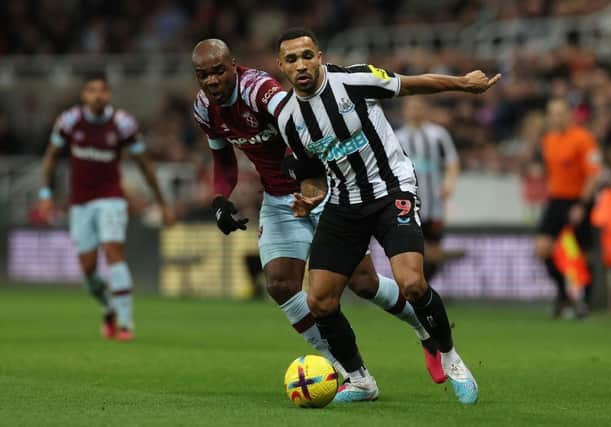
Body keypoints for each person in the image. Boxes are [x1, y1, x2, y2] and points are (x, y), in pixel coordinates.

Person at [190, 39, 446, 384]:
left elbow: (302, 121)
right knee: (280, 284)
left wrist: (303, 168)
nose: (211, 81)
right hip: (279, 201)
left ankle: (423, 331)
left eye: (218, 71)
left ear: (233, 66)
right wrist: (220, 199)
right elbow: (222, 160)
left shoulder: (260, 91)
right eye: (203, 75)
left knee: (364, 283)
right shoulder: (205, 109)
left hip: (325, 190)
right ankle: (344, 370)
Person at [274, 27, 499, 404]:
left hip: (392, 189)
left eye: (307, 55)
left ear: (320, 56)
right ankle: (361, 380)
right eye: (292, 59)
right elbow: (312, 170)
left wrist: (464, 84)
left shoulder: (354, 80)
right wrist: (310, 196)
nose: (301, 65)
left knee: (412, 282)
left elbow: (412, 84)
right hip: (345, 203)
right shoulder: (288, 119)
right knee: (320, 302)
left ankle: (450, 356)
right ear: (281, 66)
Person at [39, 72, 174, 341]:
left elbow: (143, 163)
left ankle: (126, 323)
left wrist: (161, 202)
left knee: (113, 250)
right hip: (80, 202)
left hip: (111, 197)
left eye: (102, 90)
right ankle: (109, 307)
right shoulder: (69, 121)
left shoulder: (122, 124)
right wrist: (45, 194)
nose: (97, 95)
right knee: (88, 271)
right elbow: (51, 157)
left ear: (109, 94)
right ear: (84, 95)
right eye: (91, 90)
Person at [534, 99, 601, 319]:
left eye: (560, 113)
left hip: (578, 199)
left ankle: (584, 302)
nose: (556, 117)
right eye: (552, 113)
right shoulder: (548, 140)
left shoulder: (584, 139)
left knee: (580, 254)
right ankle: (563, 294)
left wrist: (582, 205)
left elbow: (593, 174)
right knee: (543, 248)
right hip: (556, 200)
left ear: (569, 114)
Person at [396, 97, 460, 282]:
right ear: (404, 111)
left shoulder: (438, 134)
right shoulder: (397, 137)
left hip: (434, 203)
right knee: (411, 249)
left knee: (433, 249)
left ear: (425, 109)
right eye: (411, 107)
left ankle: (425, 286)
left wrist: (449, 184)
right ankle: (418, 288)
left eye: (418, 106)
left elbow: (452, 162)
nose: (415, 111)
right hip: (408, 203)